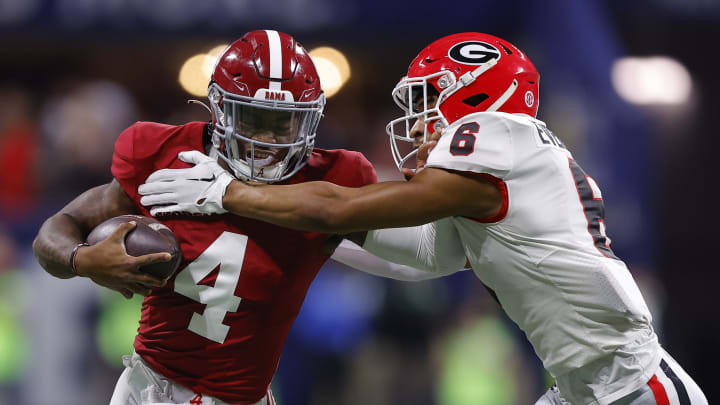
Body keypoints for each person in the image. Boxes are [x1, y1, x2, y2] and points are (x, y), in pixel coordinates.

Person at [138, 32, 708, 404]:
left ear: (474, 94)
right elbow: (426, 256)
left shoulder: (495, 133)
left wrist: (230, 193)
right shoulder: (495, 177)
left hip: (634, 387)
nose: (414, 125)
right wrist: (299, 228)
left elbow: (344, 206)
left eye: (427, 101)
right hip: (585, 387)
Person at [32, 30, 455, 405]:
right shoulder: (161, 155)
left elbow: (420, 257)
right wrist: (81, 259)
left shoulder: (332, 183)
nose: (269, 141)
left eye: (285, 124)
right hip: (147, 390)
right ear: (219, 110)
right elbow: (57, 229)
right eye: (255, 119)